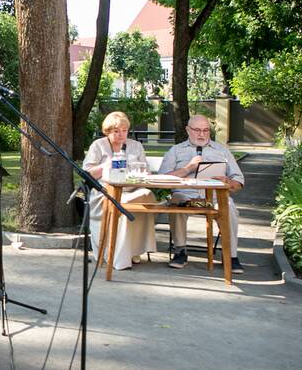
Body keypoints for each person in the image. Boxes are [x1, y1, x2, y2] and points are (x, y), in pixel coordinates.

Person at [159, 114, 245, 273]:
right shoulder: (176, 151)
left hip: (213, 199)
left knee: (230, 207)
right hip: (186, 197)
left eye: (206, 130)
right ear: (187, 130)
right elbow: (162, 179)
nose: (202, 134)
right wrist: (188, 168)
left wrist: (228, 182)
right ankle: (180, 251)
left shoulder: (222, 151)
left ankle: (231, 256)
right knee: (176, 201)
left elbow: (239, 181)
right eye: (197, 130)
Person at [82, 111, 156, 272]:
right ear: (108, 131)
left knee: (147, 195)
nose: (121, 134)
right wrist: (106, 165)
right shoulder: (98, 145)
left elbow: (146, 172)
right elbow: (87, 174)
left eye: (124, 130)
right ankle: (117, 255)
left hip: (132, 188)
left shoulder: (136, 146)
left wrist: (139, 173)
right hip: (104, 192)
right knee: (123, 204)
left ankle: (133, 250)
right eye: (116, 131)